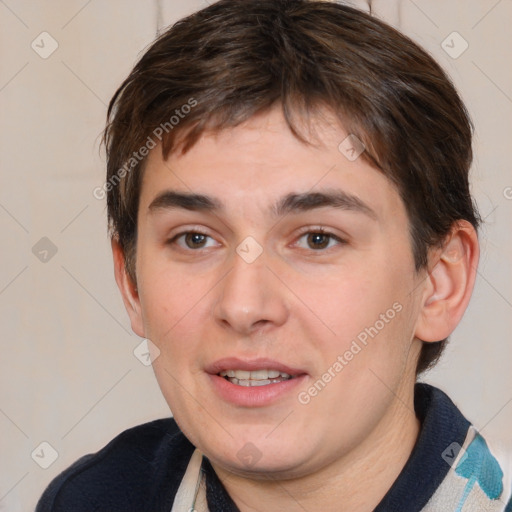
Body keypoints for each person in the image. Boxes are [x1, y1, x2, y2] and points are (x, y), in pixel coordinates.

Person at [36, 0, 511, 510]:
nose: (243, 306)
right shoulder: (90, 499)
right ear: (131, 282)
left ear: (440, 282)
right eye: (195, 238)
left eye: (317, 239)